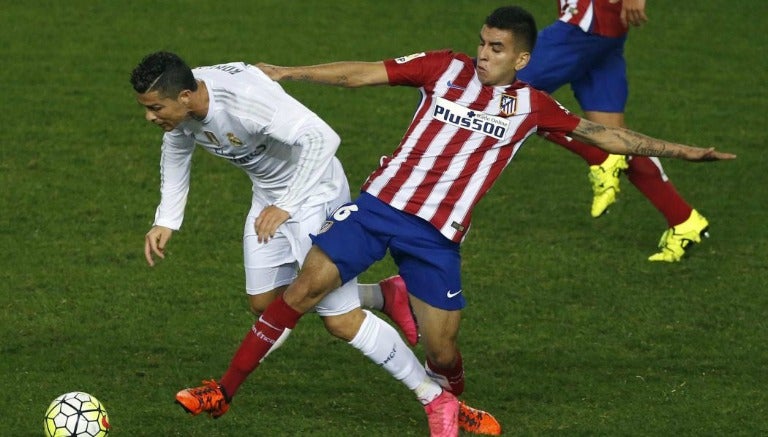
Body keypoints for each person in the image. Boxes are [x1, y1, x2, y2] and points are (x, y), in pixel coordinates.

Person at [172, 6, 734, 437]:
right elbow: (361, 74)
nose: (482, 54)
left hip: (436, 238)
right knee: (301, 291)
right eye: (482, 42)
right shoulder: (443, 67)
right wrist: (288, 72)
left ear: (521, 60)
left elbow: (604, 135)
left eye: (496, 48)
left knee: (442, 350)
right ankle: (223, 391)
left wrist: (683, 152)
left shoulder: (533, 107)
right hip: (376, 209)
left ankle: (450, 400)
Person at [130, 52, 483, 437]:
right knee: (264, 303)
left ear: (185, 96)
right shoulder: (183, 102)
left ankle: (433, 397)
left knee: (340, 320)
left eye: (155, 108)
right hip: (269, 196)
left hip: (315, 193)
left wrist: (287, 204)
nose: (149, 116)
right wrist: (166, 219)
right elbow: (177, 146)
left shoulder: (245, 101)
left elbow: (323, 137)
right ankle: (384, 296)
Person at [517, 0, 708, 262]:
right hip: (602, 33)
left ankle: (598, 155)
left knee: (507, 92)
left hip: (584, 25)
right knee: (615, 136)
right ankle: (684, 220)